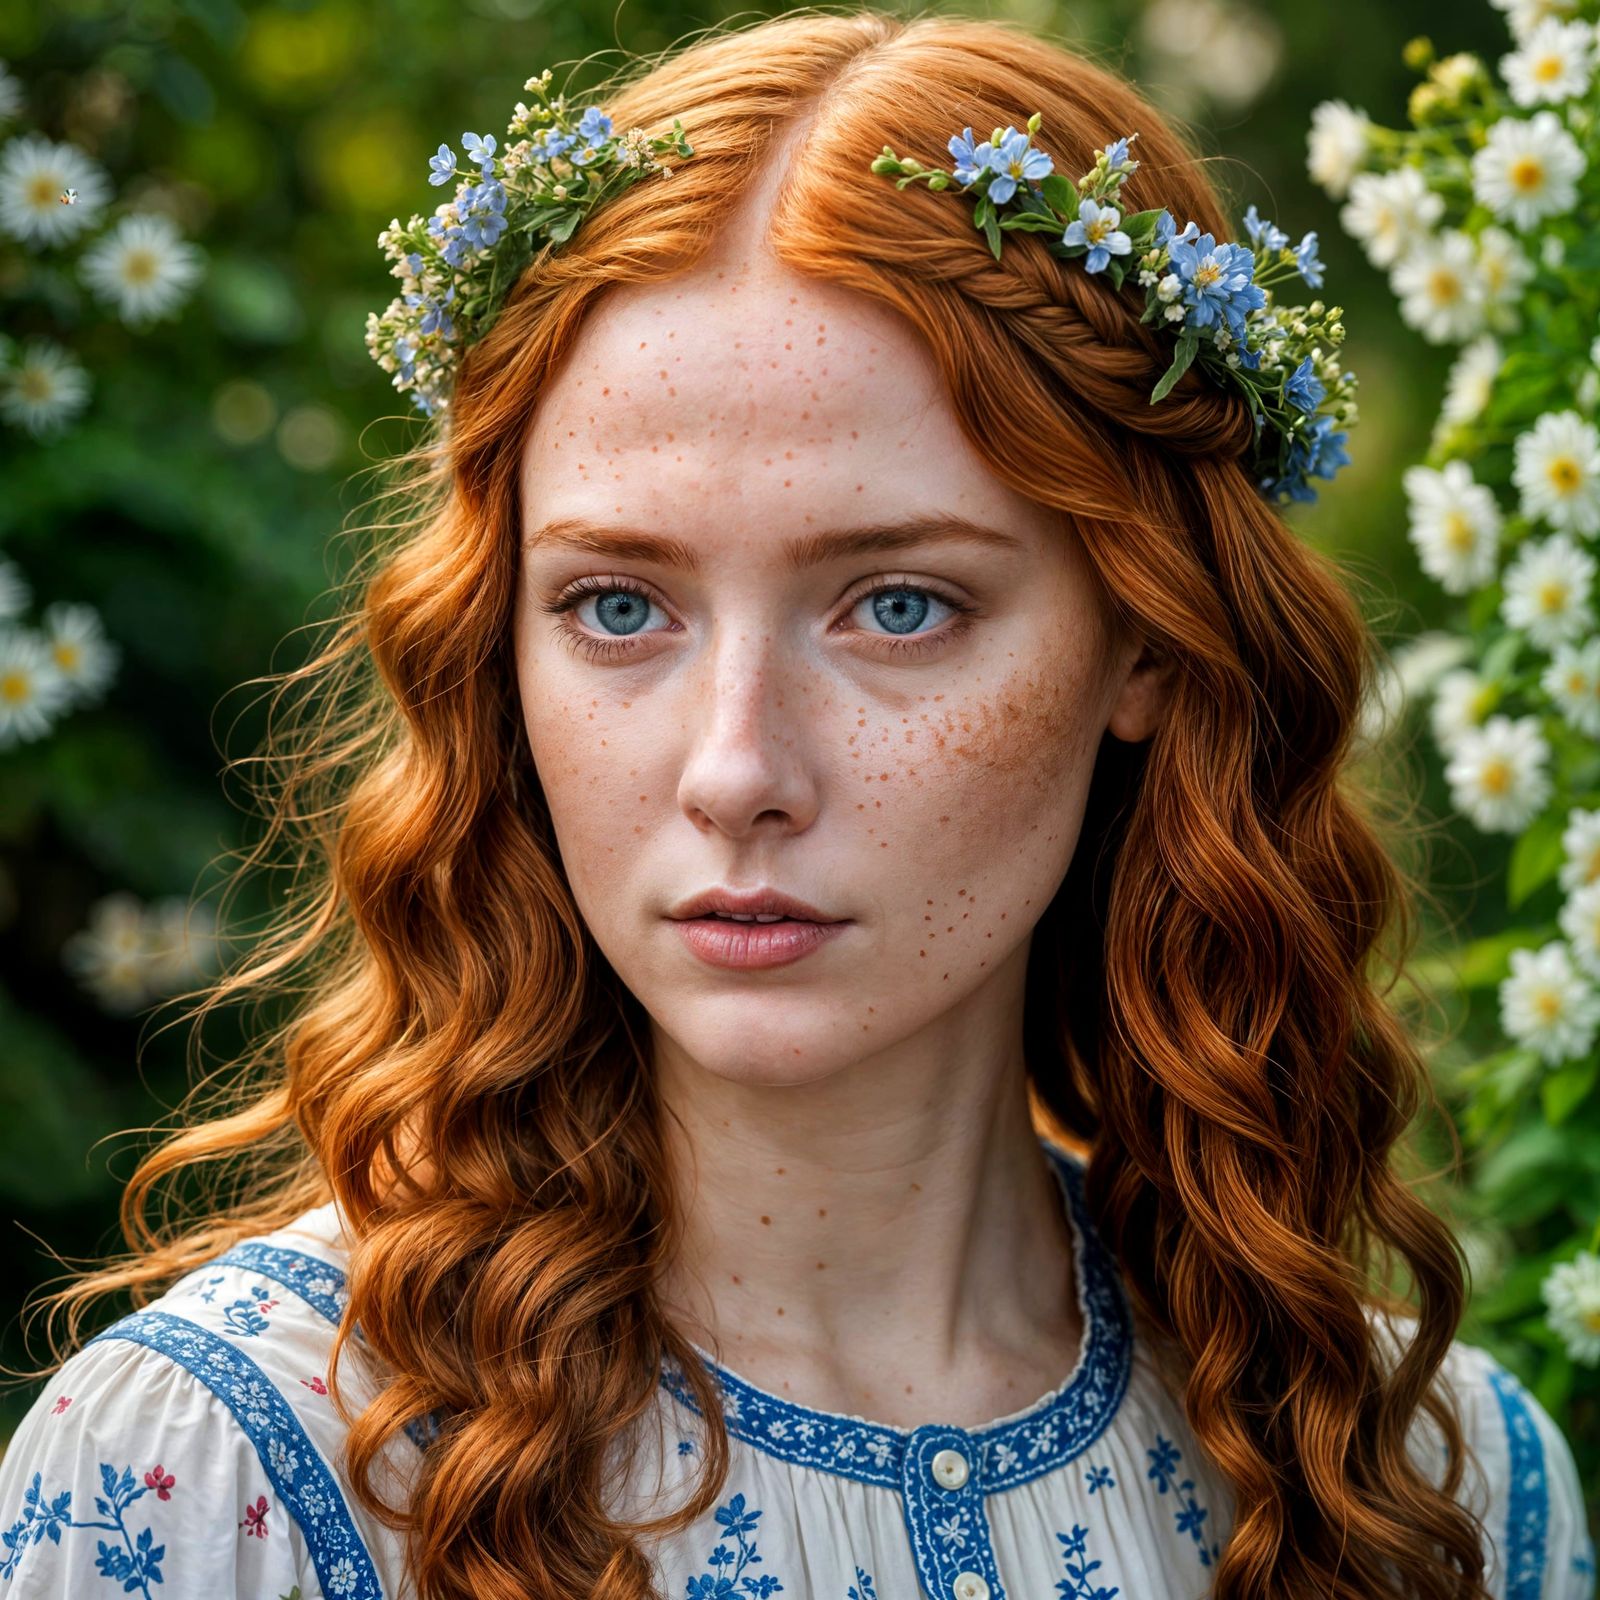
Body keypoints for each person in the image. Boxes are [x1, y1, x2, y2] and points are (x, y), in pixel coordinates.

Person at [0, 9, 1591, 1600]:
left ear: (1147, 643)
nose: (735, 772)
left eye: (898, 605)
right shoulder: (223, 1478)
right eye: (621, 606)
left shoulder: (1435, 1481)